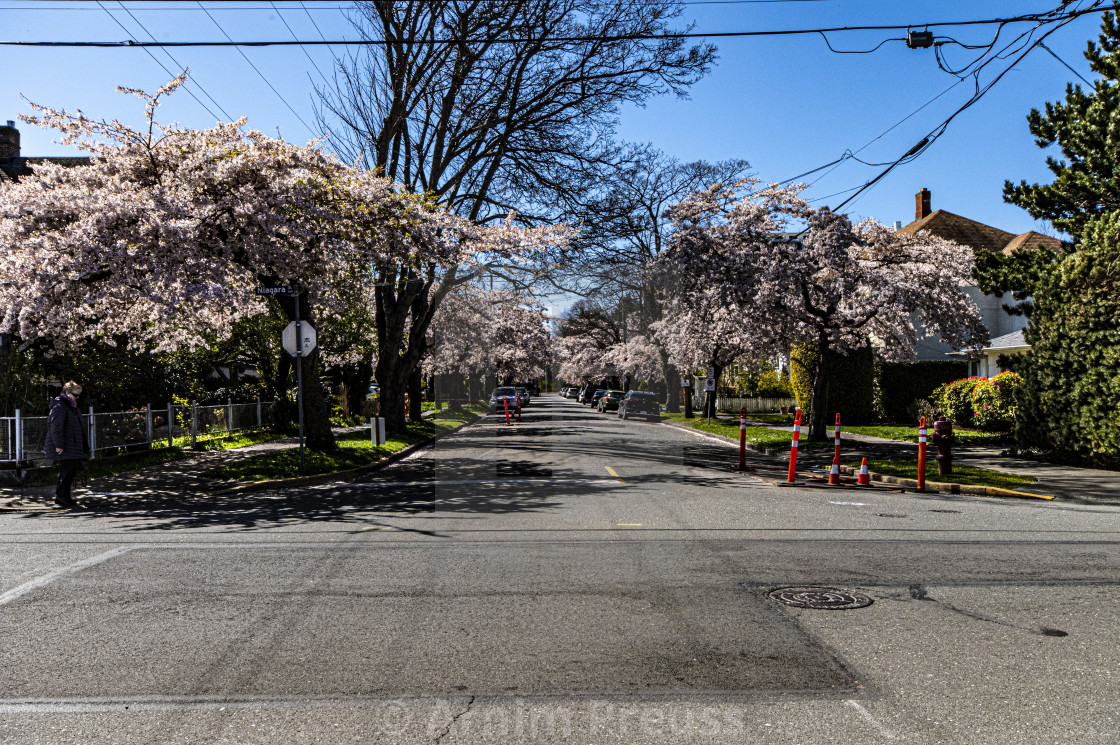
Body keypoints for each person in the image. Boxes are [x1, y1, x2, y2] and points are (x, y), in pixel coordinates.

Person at [43, 381, 88, 509]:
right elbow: (56, 427)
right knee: (68, 470)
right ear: (67, 393)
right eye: (76, 395)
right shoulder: (60, 407)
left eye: (79, 395)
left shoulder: (70, 406)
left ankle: (63, 496)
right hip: (66, 445)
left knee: (69, 470)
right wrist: (59, 445)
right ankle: (62, 497)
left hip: (71, 444)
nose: (78, 398)